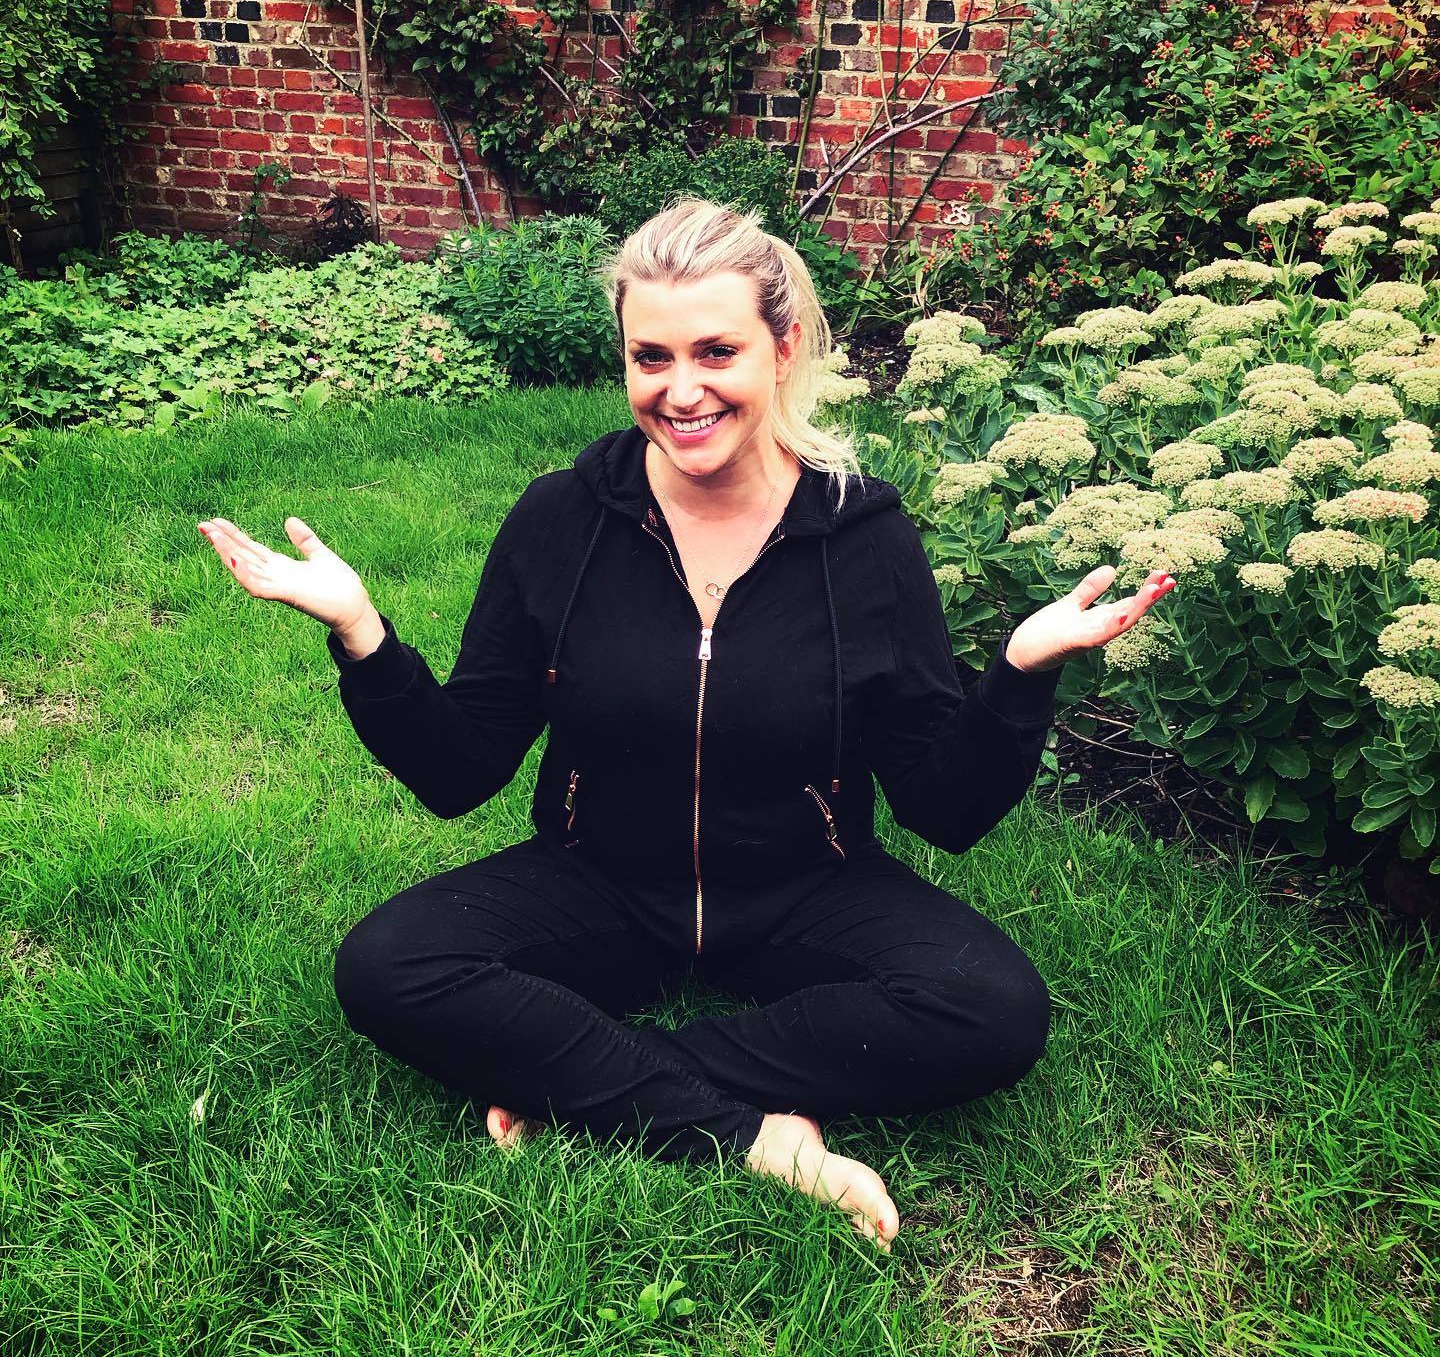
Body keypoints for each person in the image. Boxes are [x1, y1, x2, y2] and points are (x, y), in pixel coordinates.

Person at [197, 197, 1175, 1252]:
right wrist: (363, 635)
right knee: (388, 967)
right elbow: (459, 769)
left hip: (806, 888)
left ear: (783, 348)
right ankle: (757, 1136)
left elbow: (944, 805)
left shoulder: (864, 538)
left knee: (994, 1008)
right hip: (599, 882)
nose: (681, 390)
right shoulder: (561, 519)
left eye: (717, 352)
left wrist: (1021, 673)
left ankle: (593, 1080)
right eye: (650, 357)